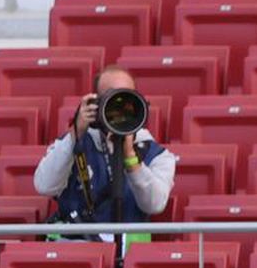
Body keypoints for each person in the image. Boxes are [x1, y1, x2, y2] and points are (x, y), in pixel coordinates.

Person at [34, 65, 175, 232]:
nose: (119, 105)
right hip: (79, 247)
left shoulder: (157, 155)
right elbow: (44, 186)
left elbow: (154, 205)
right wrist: (75, 134)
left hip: (130, 251)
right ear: (96, 103)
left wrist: (130, 158)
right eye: (111, 97)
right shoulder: (74, 144)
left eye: (126, 97)